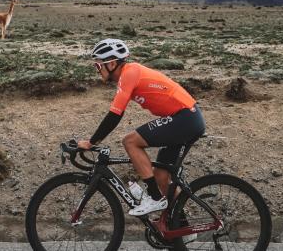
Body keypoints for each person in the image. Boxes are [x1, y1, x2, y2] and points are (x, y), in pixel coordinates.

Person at [78, 38, 206, 216]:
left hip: (185, 118)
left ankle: (154, 198)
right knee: (161, 176)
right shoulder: (130, 73)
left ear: (112, 63)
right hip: (187, 118)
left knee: (130, 141)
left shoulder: (129, 73)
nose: (97, 70)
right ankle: (180, 231)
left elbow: (115, 114)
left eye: (99, 65)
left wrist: (91, 142)